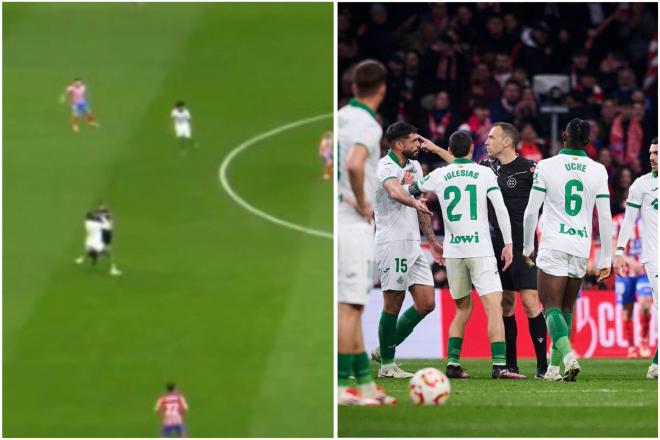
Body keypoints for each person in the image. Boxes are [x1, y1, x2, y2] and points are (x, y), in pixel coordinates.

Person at [409, 130, 525, 380]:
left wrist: (409, 184)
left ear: (450, 151)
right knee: (494, 307)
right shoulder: (484, 173)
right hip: (480, 250)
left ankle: (452, 363)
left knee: (462, 308)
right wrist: (508, 243)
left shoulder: (439, 174)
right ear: (472, 150)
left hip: (454, 252)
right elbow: (500, 208)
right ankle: (499, 366)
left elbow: (411, 189)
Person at [522, 118, 613, 382]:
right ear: (588, 141)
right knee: (566, 308)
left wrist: (528, 247)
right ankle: (553, 369)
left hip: (552, 245)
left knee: (550, 307)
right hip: (581, 246)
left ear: (564, 136)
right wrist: (606, 256)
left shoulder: (546, 166)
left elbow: (531, 212)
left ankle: (568, 356)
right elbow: (605, 217)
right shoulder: (599, 170)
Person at [337, 59, 394, 405]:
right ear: (382, 89)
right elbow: (354, 164)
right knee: (349, 308)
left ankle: (366, 387)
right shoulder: (369, 126)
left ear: (353, 86)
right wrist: (361, 202)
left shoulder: (340, 116)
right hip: (352, 223)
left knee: (353, 307)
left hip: (337, 216)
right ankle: (343, 387)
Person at [370, 122, 439, 379]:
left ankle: (383, 349)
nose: (418, 145)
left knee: (426, 303)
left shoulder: (414, 166)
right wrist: (410, 194)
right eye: (414, 141)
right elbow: (394, 191)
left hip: (413, 243)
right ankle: (388, 365)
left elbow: (419, 204)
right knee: (393, 301)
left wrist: (431, 240)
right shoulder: (384, 167)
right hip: (392, 242)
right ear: (399, 144)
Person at [614, 138, 658, 380]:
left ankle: (655, 364)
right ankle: (652, 361)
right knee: (647, 307)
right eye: (651, 152)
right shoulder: (641, 185)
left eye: (657, 153)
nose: (652, 157)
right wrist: (619, 252)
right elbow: (629, 220)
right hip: (653, 259)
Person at [612, 212, 653, 358]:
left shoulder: (650, 218)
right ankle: (631, 347)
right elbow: (613, 248)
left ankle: (643, 342)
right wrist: (630, 262)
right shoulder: (617, 221)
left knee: (645, 305)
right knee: (627, 311)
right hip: (625, 274)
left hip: (644, 273)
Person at [75, 204, 121, 276]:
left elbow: (96, 217)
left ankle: (86, 258)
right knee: (108, 253)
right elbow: (106, 226)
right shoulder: (97, 224)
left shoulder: (87, 223)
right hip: (97, 242)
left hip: (89, 242)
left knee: (91, 251)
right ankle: (113, 269)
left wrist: (100, 215)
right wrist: (107, 217)